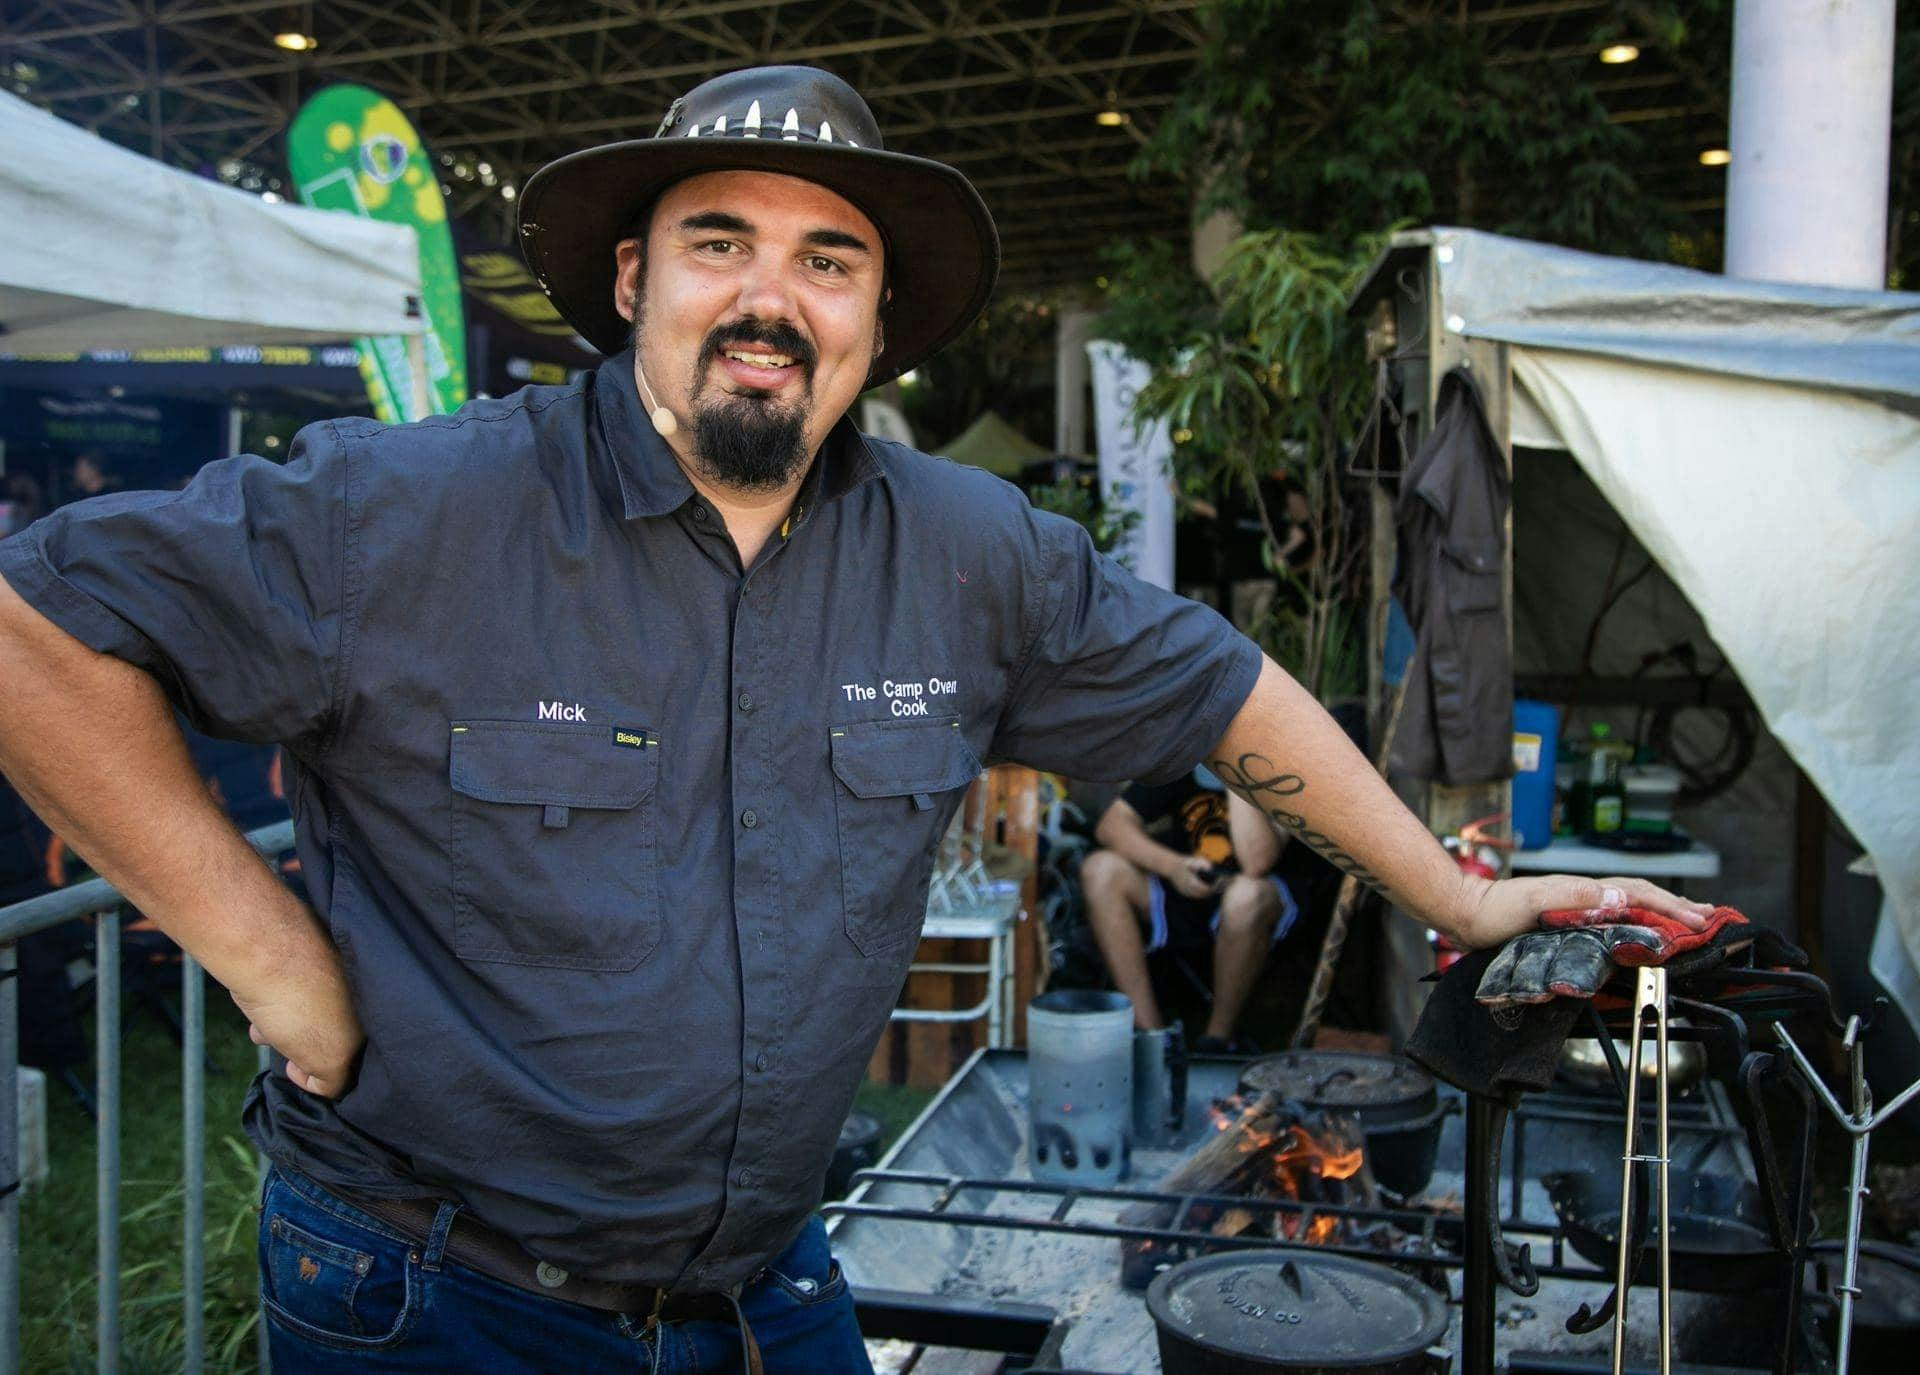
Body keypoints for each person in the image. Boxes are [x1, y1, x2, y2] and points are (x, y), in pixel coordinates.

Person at [0, 65, 1710, 1374]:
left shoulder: (976, 557)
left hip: (767, 1286)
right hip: (436, 1289)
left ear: (879, 327)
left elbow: (1226, 690)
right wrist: (262, 952)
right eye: (718, 243)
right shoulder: (416, 509)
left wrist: (1462, 902)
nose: (770, 297)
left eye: (830, 260)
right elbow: (32, 626)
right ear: (629, 282)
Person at [1082, 764, 1297, 1050]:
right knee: (1100, 870)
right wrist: (1173, 867)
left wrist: (1235, 768)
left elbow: (1256, 861)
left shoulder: (1281, 765)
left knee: (1245, 896)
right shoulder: (1189, 758)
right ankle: (1152, 1040)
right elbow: (1110, 825)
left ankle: (1218, 1041)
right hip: (1190, 885)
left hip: (1262, 902)